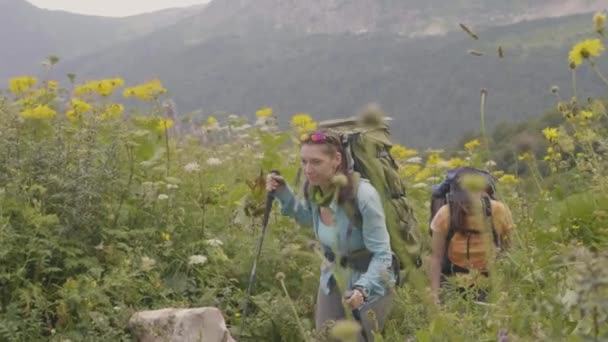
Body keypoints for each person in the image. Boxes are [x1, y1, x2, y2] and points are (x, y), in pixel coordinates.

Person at [266, 130, 396, 341]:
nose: (308, 169)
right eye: (304, 161)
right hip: (332, 277)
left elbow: (383, 256)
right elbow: (308, 218)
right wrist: (283, 192)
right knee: (325, 337)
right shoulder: (315, 190)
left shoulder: (364, 196)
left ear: (336, 160)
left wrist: (362, 290)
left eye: (316, 162)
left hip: (370, 281)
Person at [429, 172, 514, 303]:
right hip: (453, 282)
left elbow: (508, 253)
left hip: (490, 282)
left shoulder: (499, 212)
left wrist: (506, 290)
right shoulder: (446, 215)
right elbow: (436, 258)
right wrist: (435, 295)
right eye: (462, 200)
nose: (466, 204)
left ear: (484, 193)